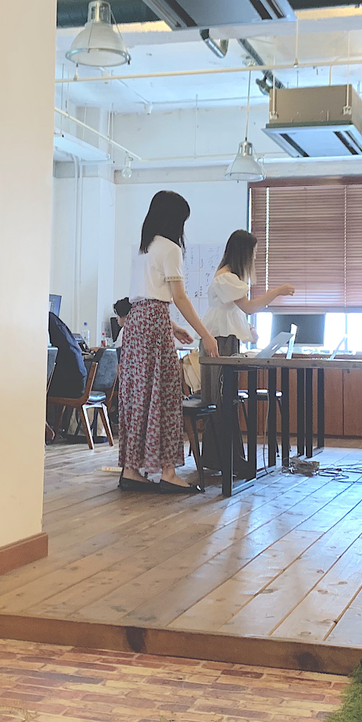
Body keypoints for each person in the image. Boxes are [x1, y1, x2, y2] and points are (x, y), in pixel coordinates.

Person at [119, 190, 218, 494]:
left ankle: (131, 469)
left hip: (136, 323)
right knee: (164, 395)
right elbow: (179, 297)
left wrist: (173, 326)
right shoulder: (170, 249)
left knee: (139, 396)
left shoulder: (143, 249)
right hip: (153, 323)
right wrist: (205, 334)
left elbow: (142, 298)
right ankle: (167, 472)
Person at [202, 230, 294, 354]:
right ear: (244, 254)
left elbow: (235, 310)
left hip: (224, 337)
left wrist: (249, 328)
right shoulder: (226, 278)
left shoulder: (228, 277)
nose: (254, 257)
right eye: (254, 253)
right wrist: (277, 292)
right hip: (221, 337)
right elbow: (249, 308)